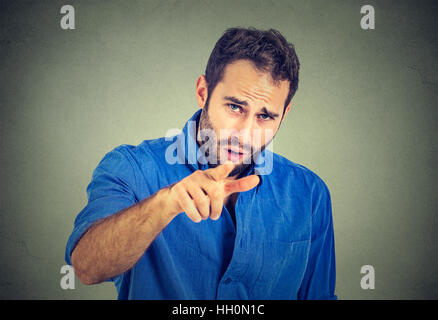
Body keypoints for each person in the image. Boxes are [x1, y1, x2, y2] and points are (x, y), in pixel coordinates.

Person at [65, 27, 337, 300]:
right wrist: (167, 203)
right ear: (203, 92)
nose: (245, 133)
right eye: (235, 107)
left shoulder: (310, 193)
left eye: (265, 116)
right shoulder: (131, 167)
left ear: (284, 114)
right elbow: (87, 267)